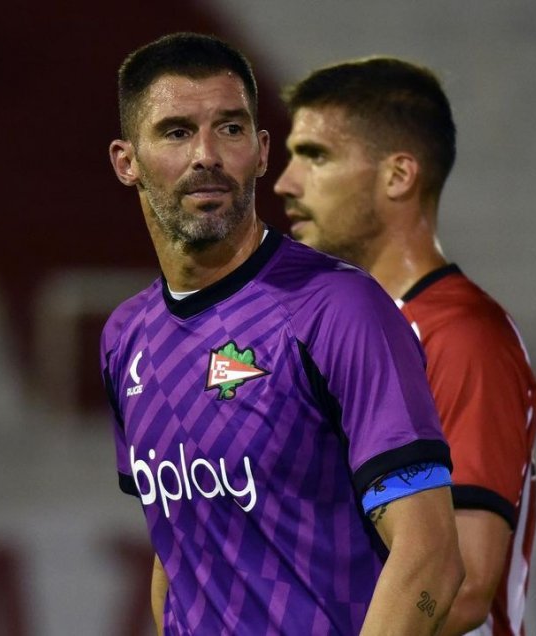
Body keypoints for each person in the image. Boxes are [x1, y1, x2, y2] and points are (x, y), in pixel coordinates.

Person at [100, 33, 464, 635]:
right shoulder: (125, 338)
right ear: (126, 161)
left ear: (262, 150)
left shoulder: (338, 308)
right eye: (176, 132)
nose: (207, 155)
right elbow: (178, 550)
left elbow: (431, 559)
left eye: (230, 128)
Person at [274, 57, 536, 636]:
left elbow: (462, 587)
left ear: (398, 176)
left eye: (315, 155)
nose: (285, 182)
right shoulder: (333, 331)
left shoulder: (462, 336)